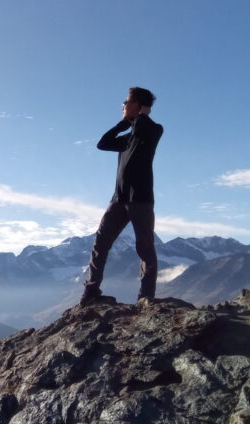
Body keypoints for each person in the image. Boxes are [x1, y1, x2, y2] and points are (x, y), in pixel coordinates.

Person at [80, 87, 164, 306]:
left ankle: (146, 298)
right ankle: (91, 291)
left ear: (139, 106)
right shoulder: (128, 138)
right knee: (100, 243)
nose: (123, 106)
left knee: (145, 249)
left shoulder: (153, 130)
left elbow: (142, 128)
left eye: (127, 102)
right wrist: (124, 122)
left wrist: (140, 116)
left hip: (141, 199)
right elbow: (103, 143)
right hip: (118, 199)